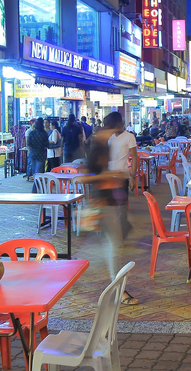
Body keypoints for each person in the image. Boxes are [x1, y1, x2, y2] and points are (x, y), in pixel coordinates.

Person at [79, 126, 139, 305]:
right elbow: (87, 176)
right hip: (103, 204)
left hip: (108, 203)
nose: (112, 134)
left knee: (111, 245)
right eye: (109, 131)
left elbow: (89, 173)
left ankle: (81, 272)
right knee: (114, 245)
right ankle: (118, 289)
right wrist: (108, 174)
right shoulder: (98, 148)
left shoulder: (104, 147)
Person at [105, 111, 138, 238]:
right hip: (108, 176)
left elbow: (134, 157)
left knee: (122, 206)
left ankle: (122, 231)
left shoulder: (129, 137)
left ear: (121, 123)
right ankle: (119, 229)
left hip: (122, 176)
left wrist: (133, 177)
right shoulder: (109, 137)